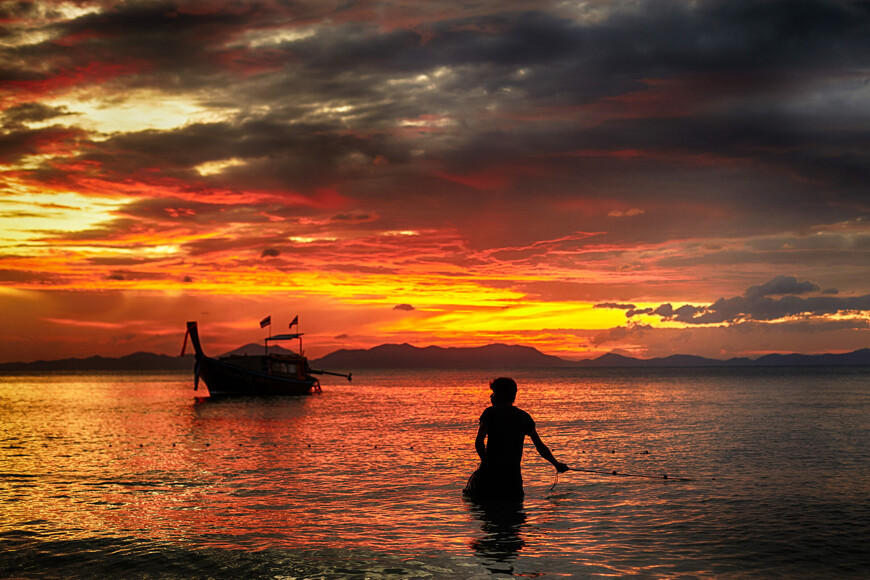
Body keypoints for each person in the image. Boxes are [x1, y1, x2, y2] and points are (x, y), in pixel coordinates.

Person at [464, 377, 569, 501]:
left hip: (490, 476)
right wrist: (556, 464)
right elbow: (540, 447)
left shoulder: (490, 413)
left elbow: (479, 443)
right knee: (514, 514)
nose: (491, 396)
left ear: (501, 395)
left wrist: (486, 462)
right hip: (513, 479)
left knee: (489, 513)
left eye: (494, 392)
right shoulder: (524, 417)